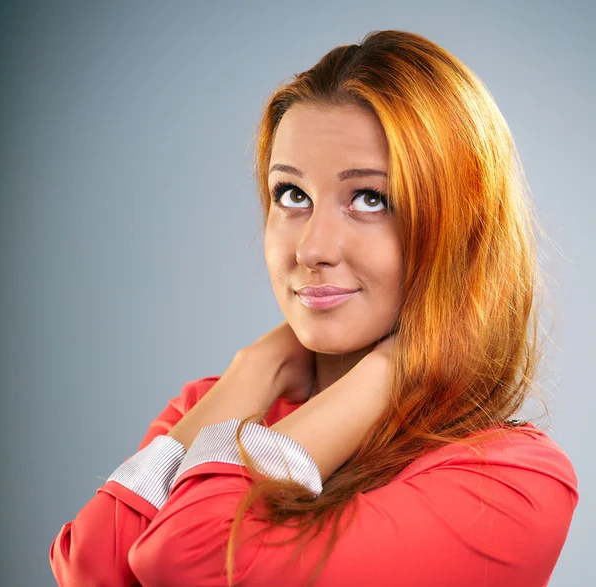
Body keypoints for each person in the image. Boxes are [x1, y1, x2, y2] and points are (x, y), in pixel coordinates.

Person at [49, 29, 579, 587]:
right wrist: (260, 367)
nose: (312, 249)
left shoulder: (507, 482)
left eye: (370, 199)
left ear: (462, 232)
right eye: (292, 195)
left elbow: (189, 559)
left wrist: (396, 371)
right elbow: (90, 569)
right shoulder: (214, 404)